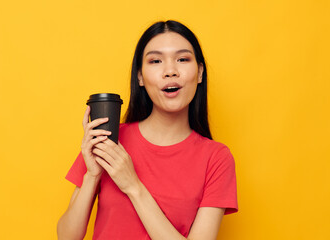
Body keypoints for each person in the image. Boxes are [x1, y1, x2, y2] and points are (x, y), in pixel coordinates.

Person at [57, 20, 238, 240]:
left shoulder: (216, 158)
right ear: (140, 77)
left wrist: (133, 186)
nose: (170, 71)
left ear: (200, 73)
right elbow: (66, 237)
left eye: (182, 59)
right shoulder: (110, 139)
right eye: (156, 61)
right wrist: (92, 176)